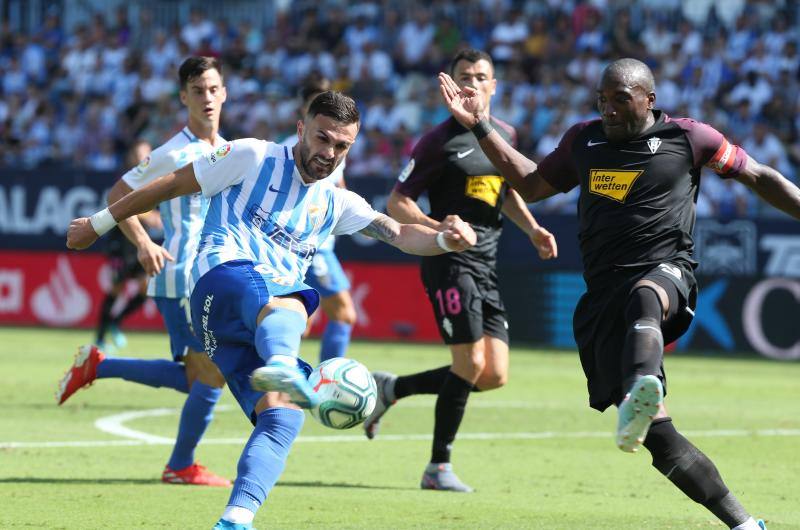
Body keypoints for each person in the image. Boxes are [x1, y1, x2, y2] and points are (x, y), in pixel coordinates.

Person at [65, 91, 477, 530]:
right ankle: (282, 362)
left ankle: (236, 518)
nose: (330, 153)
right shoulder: (250, 155)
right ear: (301, 129)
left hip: (228, 328)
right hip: (223, 279)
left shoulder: (338, 202)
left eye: (342, 147)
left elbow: (397, 232)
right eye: (323, 139)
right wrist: (99, 222)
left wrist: (442, 240)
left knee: (281, 416)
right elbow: (170, 184)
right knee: (294, 298)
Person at [438, 57, 799, 529]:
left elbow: (760, 177)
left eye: (620, 99)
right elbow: (530, 183)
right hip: (603, 297)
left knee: (644, 295)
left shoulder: (691, 138)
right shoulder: (582, 140)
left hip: (667, 272)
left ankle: (641, 388)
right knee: (659, 438)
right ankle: (744, 523)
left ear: (649, 100)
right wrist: (482, 126)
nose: (608, 108)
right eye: (602, 99)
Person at [364, 49, 557, 493]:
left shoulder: (502, 134)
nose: (472, 82)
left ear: (494, 86)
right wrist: (441, 228)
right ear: (449, 86)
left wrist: (532, 229)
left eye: (480, 76)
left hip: (486, 266)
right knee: (470, 363)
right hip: (449, 262)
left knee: (493, 374)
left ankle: (392, 389)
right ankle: (437, 467)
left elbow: (505, 189)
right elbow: (398, 201)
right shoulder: (438, 141)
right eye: (464, 76)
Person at [57, 57, 230, 487]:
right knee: (209, 375)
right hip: (181, 274)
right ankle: (180, 465)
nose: (206, 98)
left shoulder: (226, 148)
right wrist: (143, 242)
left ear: (223, 92)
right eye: (197, 91)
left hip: (207, 276)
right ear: (183, 97)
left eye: (212, 89)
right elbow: (118, 193)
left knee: (198, 375)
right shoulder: (174, 152)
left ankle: (100, 365)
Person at [282, 75, 357, 363]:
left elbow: (339, 186)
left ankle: (279, 374)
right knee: (344, 313)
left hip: (315, 244)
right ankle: (326, 382)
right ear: (304, 113)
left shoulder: (336, 146)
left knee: (301, 321)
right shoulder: (293, 147)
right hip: (312, 246)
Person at [94, 140, 160, 352]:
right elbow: (119, 205)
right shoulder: (126, 180)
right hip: (121, 242)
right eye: (139, 154)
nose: (143, 158)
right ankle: (101, 339)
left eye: (146, 154)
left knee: (147, 287)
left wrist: (156, 217)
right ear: (132, 157)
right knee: (117, 289)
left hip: (142, 243)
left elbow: (155, 212)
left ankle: (116, 322)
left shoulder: (155, 179)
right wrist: (148, 216)